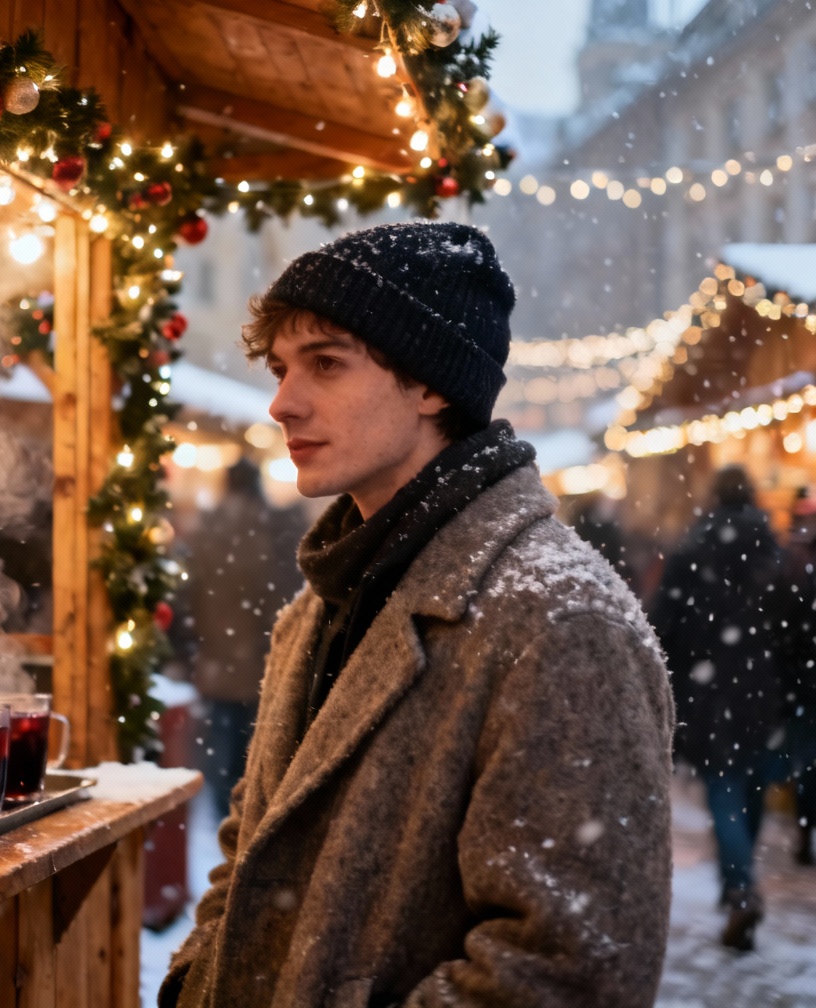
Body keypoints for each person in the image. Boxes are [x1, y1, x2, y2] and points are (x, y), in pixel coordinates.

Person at [161, 221, 674, 1007]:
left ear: (432, 382)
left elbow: (566, 973)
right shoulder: (322, 600)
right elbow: (252, 852)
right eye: (279, 368)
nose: (282, 403)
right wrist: (194, 983)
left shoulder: (558, 620)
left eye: (326, 365)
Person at [650, 463, 786, 952]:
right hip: (763, 689)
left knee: (724, 789)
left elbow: (664, 623)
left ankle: (740, 887)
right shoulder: (774, 552)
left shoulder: (692, 549)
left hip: (708, 690)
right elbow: (791, 627)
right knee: (749, 784)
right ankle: (740, 880)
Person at [185, 457, 305, 816]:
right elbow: (287, 591)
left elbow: (190, 596)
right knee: (257, 754)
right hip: (262, 660)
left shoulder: (207, 529)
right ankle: (247, 824)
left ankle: (225, 821)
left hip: (217, 662)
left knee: (221, 751)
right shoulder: (275, 526)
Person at [774, 489, 816, 865]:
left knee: (806, 758)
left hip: (803, 678)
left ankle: (805, 830)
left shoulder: (792, 565)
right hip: (802, 676)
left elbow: (783, 627)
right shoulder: (793, 565)